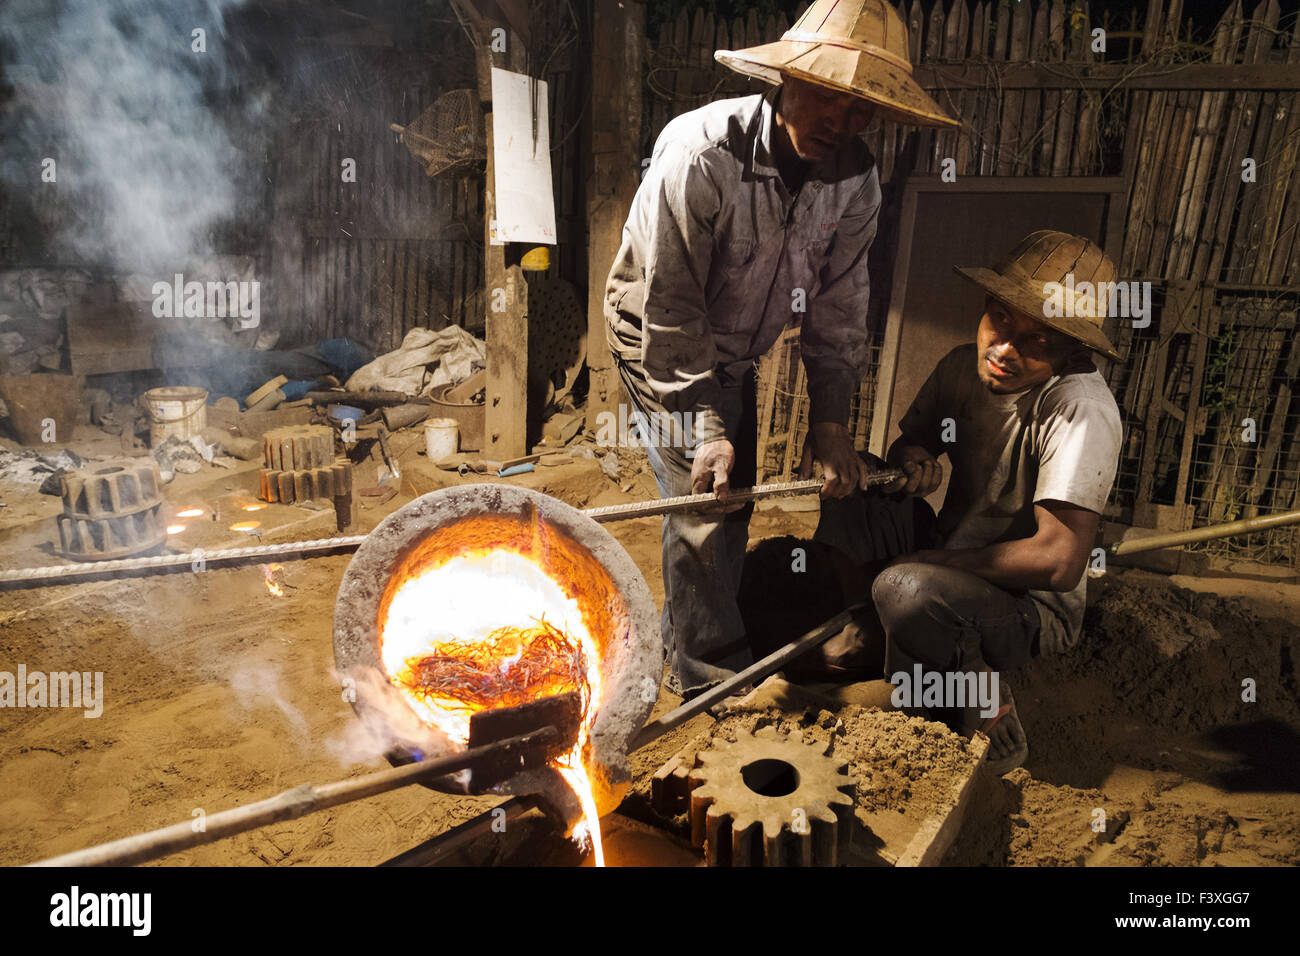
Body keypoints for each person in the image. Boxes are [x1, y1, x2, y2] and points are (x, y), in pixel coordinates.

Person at [603, 0, 956, 698]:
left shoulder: (856, 179)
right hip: (658, 340)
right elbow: (672, 310)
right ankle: (711, 679)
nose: (842, 122)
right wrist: (704, 431)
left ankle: (689, 640)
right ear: (786, 79)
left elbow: (840, 306)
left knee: (733, 504)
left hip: (737, 350)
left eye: (862, 109)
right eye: (827, 95)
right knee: (708, 498)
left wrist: (830, 426)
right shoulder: (702, 156)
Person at [805, 229, 1125, 773]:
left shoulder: (1079, 410)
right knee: (857, 478)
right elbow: (913, 440)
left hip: (1025, 604)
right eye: (1000, 318)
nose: (1005, 350)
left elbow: (1058, 561)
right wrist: (914, 460)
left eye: (1039, 340)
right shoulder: (961, 367)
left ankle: (983, 706)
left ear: (1073, 348)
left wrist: (930, 562)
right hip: (952, 557)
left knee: (905, 586)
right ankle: (873, 627)